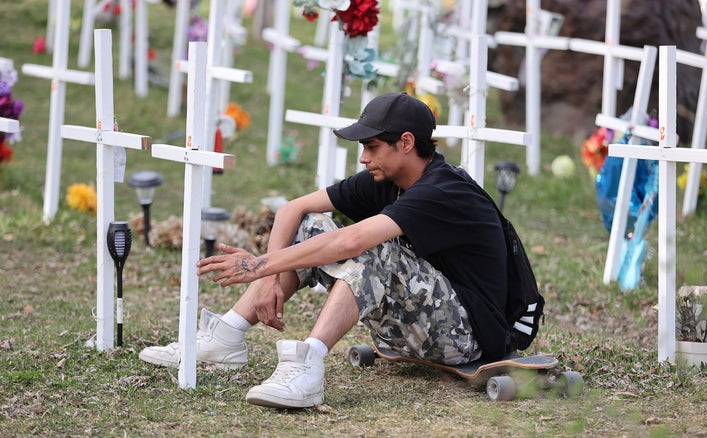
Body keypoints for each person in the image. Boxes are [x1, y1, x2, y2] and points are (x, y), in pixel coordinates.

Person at [139, 92, 510, 409]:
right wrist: (267, 275)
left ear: (407, 143)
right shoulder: (388, 177)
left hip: (465, 337)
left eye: (371, 147)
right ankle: (227, 336)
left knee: (373, 248)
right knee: (311, 224)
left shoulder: (442, 190)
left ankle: (309, 364)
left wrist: (257, 264)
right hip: (416, 325)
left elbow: (351, 243)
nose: (363, 158)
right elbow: (293, 209)